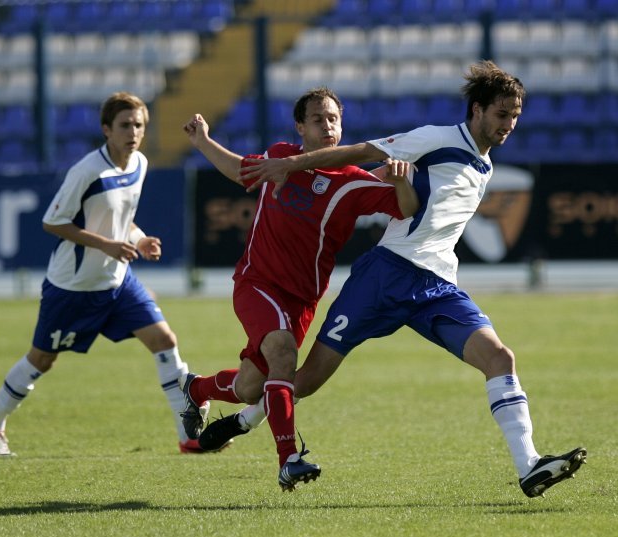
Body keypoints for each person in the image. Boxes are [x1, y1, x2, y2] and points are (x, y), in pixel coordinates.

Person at [199, 61, 587, 498]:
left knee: (500, 359)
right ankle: (245, 419)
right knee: (305, 379)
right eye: (501, 115)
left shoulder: (485, 167)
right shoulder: (436, 139)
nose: (509, 125)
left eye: (515, 116)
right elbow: (361, 152)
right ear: (476, 110)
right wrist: (296, 165)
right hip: (383, 277)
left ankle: (529, 465)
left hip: (437, 287)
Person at [181, 86, 418, 490]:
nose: (328, 125)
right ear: (300, 127)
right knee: (283, 354)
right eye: (318, 119)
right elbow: (241, 170)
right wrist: (203, 141)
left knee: (248, 386)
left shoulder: (352, 183)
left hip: (302, 299)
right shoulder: (280, 157)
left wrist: (401, 181)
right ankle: (288, 459)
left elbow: (407, 208)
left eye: (333, 119)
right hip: (257, 282)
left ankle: (196, 387)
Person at [0, 91, 212, 456]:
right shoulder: (87, 171)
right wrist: (107, 245)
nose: (133, 132)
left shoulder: (139, 165)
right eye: (125, 125)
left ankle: (187, 433)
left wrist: (139, 238)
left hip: (117, 281)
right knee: (42, 360)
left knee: (164, 340)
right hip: (73, 286)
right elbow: (53, 222)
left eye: (139, 125)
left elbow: (123, 219)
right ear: (106, 129)